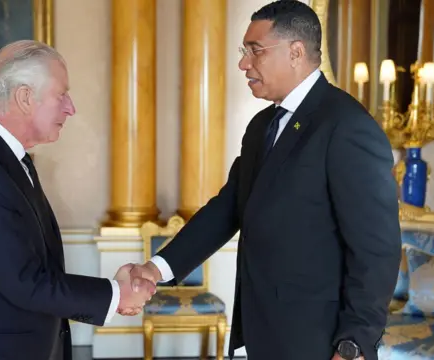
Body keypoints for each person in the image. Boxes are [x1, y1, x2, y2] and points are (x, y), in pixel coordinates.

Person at [127, 2, 401, 360]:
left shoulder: (347, 126)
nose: (243, 63)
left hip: (321, 341)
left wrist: (354, 344)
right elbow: (228, 209)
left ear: (295, 52)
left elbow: (376, 250)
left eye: (254, 51)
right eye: (245, 52)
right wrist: (156, 268)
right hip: (264, 332)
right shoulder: (261, 127)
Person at [0, 40, 155, 360]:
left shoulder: (4, 159)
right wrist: (116, 294)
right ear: (24, 97)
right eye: (61, 94)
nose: (71, 108)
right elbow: (26, 282)